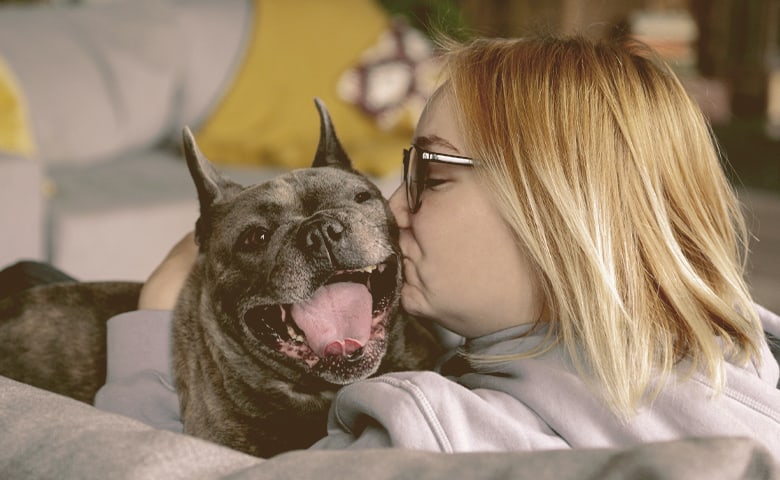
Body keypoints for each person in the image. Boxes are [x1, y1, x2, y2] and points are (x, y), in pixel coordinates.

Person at [90, 33, 780, 458]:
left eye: (433, 174)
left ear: (556, 212)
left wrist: (153, 321)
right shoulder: (746, 358)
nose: (393, 207)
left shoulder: (430, 437)